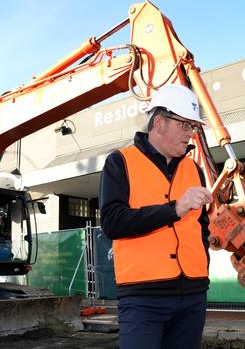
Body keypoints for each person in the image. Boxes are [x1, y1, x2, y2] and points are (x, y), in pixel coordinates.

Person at [99, 84, 213, 349]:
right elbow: (113, 222)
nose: (190, 134)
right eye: (184, 125)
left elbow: (201, 228)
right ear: (159, 122)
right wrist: (173, 210)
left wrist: (202, 272)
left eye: (192, 127)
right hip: (143, 298)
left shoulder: (193, 168)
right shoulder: (120, 162)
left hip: (193, 295)